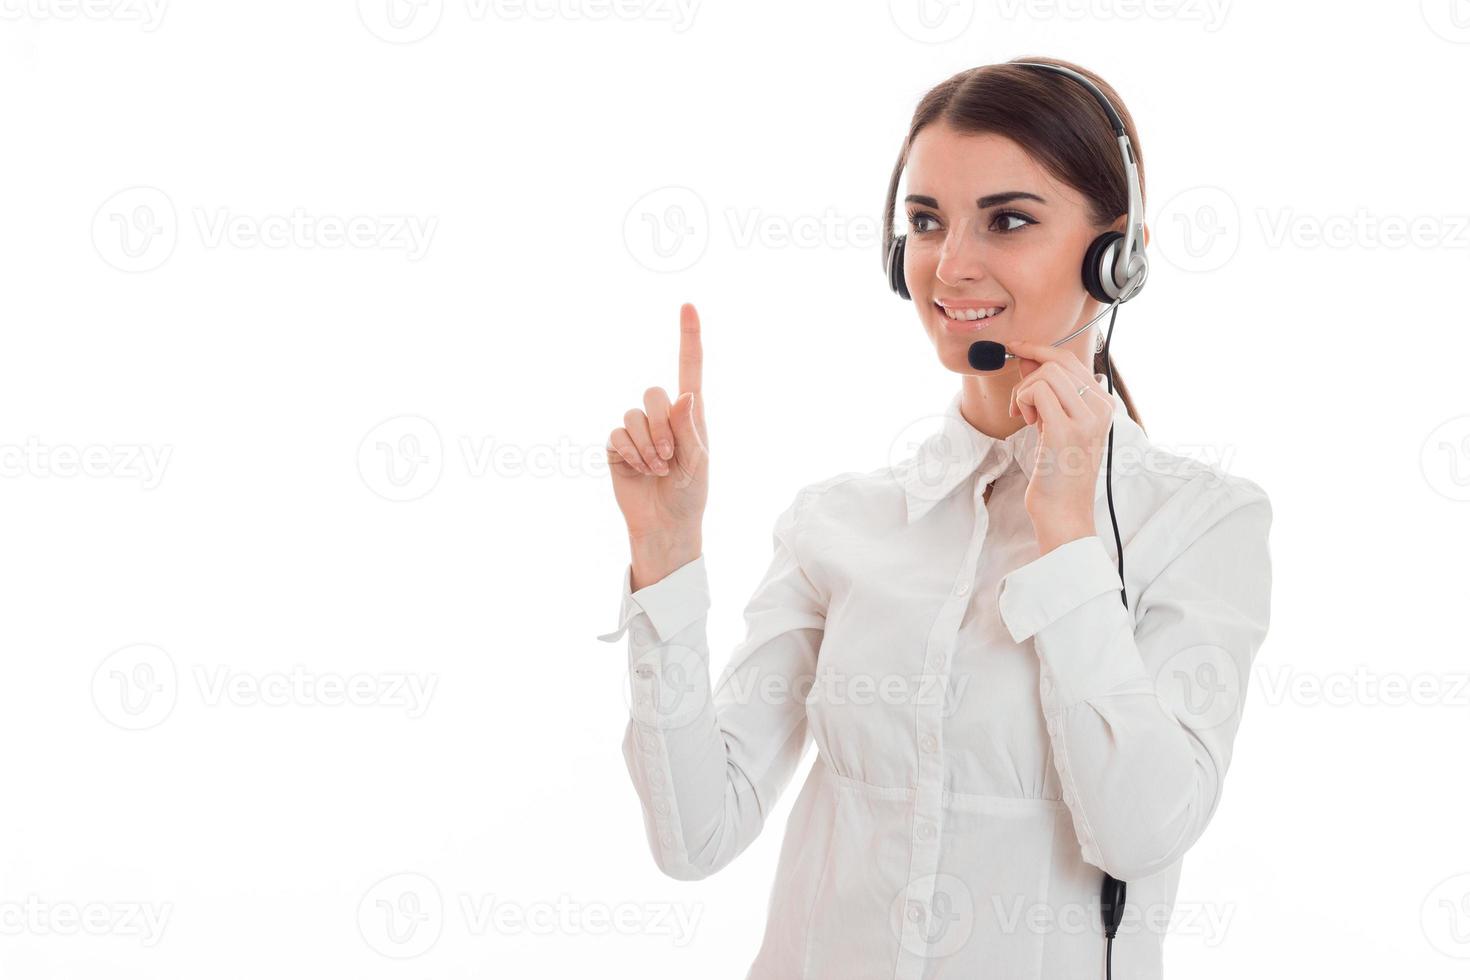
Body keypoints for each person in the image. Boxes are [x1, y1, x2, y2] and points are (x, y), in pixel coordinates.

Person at [596, 56, 1272, 980]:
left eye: (1009, 219)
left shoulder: (1199, 524)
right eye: (924, 223)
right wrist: (666, 558)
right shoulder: (838, 524)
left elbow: (1142, 830)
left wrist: (1068, 537)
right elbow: (696, 835)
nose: (950, 266)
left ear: (1116, 255)